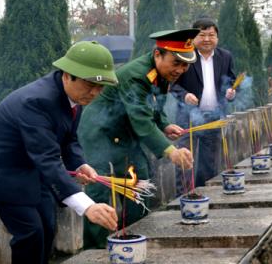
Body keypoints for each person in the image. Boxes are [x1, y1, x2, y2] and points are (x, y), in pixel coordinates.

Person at [0, 41, 119, 264]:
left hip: (29, 163)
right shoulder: (37, 101)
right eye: (90, 84)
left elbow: (68, 139)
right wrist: (88, 206)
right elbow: (47, 158)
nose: (95, 92)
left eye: (101, 86)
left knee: (47, 224)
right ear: (67, 75)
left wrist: (79, 164)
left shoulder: (76, 97)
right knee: (30, 232)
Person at [78, 28, 200, 249]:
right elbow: (142, 120)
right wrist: (171, 151)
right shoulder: (137, 75)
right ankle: (94, 251)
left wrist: (164, 124)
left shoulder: (161, 73)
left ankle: (134, 238)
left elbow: (155, 106)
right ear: (157, 54)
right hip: (101, 133)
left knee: (140, 183)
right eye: (176, 63)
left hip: (127, 133)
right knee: (101, 191)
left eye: (185, 65)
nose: (180, 70)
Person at [170, 18, 237, 194]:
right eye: (202, 35)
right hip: (188, 118)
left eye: (211, 35)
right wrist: (184, 95)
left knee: (210, 161)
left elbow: (230, 81)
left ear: (217, 38)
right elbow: (172, 83)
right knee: (185, 159)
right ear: (193, 38)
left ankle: (206, 195)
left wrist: (231, 92)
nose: (207, 39)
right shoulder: (185, 55)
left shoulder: (225, 56)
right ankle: (182, 197)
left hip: (214, 117)